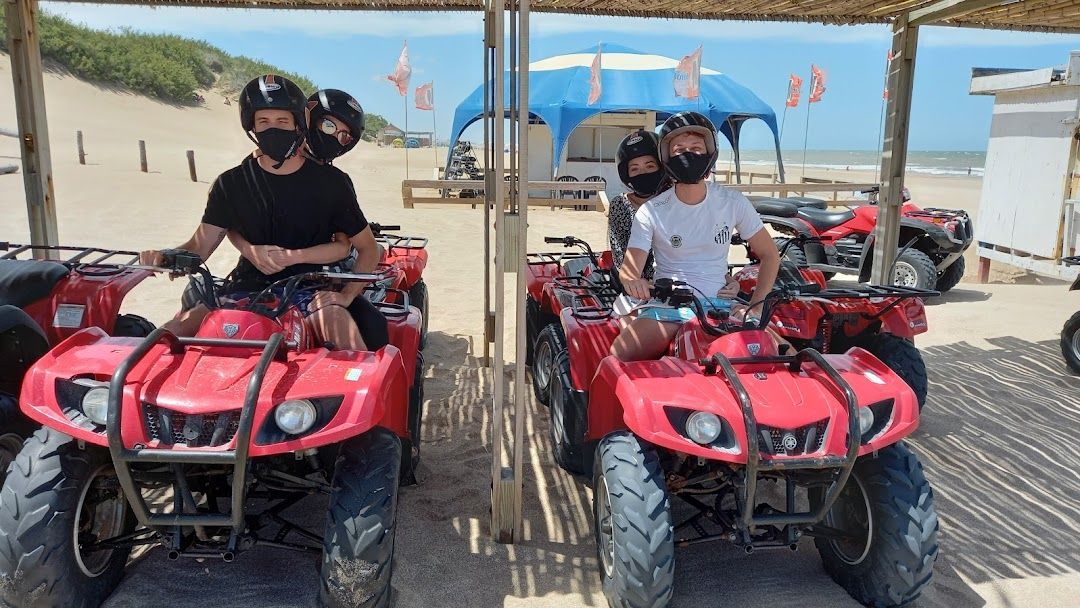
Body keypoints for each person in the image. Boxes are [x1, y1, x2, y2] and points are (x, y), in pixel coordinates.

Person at [140, 75, 384, 351]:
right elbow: (200, 246)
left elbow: (366, 249)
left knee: (348, 342)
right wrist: (163, 256)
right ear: (252, 126)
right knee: (171, 333)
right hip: (244, 287)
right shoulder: (231, 183)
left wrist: (347, 296)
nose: (273, 129)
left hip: (308, 288)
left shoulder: (333, 183)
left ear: (297, 124)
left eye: (282, 121)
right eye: (263, 122)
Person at [610, 111, 781, 361]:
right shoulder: (651, 211)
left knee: (789, 357)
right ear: (667, 157)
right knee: (617, 358)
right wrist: (632, 282)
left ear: (710, 152)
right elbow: (629, 269)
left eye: (696, 147)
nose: (688, 154)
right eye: (679, 149)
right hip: (668, 308)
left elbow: (770, 255)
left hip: (722, 306)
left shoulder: (732, 201)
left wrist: (755, 307)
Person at [608, 130, 668, 291]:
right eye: (635, 168)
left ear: (661, 167)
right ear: (626, 173)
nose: (643, 173)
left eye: (650, 166)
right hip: (639, 287)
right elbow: (620, 255)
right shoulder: (621, 204)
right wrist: (638, 283)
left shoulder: (674, 200)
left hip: (679, 281)